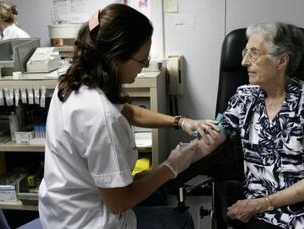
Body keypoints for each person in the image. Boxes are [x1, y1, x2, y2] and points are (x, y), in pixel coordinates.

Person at [38, 4, 225, 229]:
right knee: (181, 219)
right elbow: (119, 203)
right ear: (118, 57)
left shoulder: (76, 81)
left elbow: (129, 111)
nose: (144, 66)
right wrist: (171, 166)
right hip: (87, 221)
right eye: (142, 60)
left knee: (158, 194)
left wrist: (180, 121)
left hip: (62, 207)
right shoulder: (100, 117)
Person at [219, 21, 304, 228]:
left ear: (281, 61)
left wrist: (260, 204)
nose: (243, 62)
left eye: (253, 53)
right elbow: (216, 133)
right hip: (263, 214)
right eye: (245, 53)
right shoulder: (245, 96)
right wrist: (188, 139)